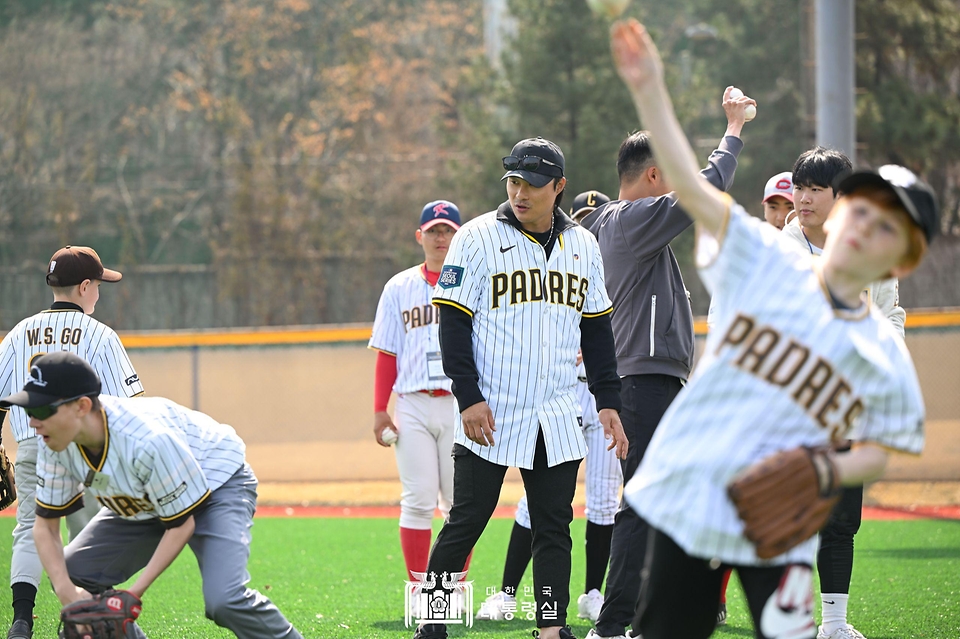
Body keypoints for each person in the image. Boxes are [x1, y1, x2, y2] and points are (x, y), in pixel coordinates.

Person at [610, 18, 934, 639]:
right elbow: (698, 197)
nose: (868, 223)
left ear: (900, 260)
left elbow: (883, 447)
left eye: (889, 225)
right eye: (865, 206)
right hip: (694, 492)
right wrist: (650, 91)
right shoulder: (764, 255)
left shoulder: (881, 349)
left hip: (780, 523)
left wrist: (824, 474)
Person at [412, 138, 628, 639]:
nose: (520, 191)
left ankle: (551, 627)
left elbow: (597, 332)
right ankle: (434, 622)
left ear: (559, 187)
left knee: (554, 528)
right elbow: (452, 322)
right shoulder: (476, 237)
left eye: (532, 183)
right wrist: (467, 396)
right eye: (512, 181)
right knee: (468, 519)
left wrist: (609, 401)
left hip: (555, 409)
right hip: (491, 407)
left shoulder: (583, 246)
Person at [579, 88, 750, 639]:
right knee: (646, 503)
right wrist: (733, 129)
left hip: (639, 378)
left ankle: (635, 616)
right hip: (643, 380)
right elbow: (709, 189)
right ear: (653, 175)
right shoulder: (631, 219)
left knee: (662, 498)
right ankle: (617, 623)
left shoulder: (607, 220)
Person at [0, 352, 303, 639]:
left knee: (224, 599)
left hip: (217, 481)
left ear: (81, 407)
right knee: (74, 572)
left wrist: (132, 595)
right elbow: (45, 527)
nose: (32, 422)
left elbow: (181, 524)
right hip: (145, 498)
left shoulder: (144, 440)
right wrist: (69, 594)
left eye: (41, 410)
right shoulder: (55, 440)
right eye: (29, 410)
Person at [474, 191, 622, 626]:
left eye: (595, 216)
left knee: (601, 500)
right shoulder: (552, 256)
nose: (589, 222)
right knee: (533, 505)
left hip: (595, 395)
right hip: (558, 397)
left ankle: (593, 592)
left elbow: (605, 335)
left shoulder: (605, 261)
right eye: (582, 217)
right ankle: (505, 593)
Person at [783, 147, 906, 639]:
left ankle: (833, 624)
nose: (804, 198)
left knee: (840, 519)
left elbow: (892, 315)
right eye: (800, 186)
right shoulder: (780, 252)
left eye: (816, 189)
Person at [0, 246, 144, 639]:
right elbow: (129, 407)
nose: (98, 292)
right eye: (97, 285)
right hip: (84, 450)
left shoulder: (16, 334)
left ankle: (21, 622)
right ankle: (97, 618)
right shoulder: (102, 335)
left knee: (30, 528)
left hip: (32, 443)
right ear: (84, 286)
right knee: (90, 533)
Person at [368, 200, 462, 582]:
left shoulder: (472, 280)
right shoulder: (398, 287)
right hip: (413, 405)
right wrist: (379, 409)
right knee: (418, 501)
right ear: (419, 235)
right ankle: (419, 589)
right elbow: (387, 353)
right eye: (435, 230)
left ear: (460, 235)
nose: (441, 237)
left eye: (448, 230)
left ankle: (453, 587)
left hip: (459, 404)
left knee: (460, 505)